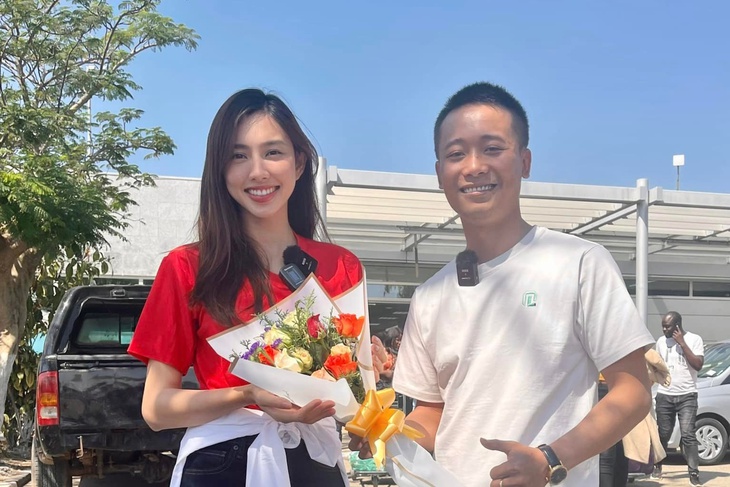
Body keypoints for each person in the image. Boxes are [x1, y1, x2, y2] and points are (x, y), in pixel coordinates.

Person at [355, 82, 655, 487]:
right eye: (456, 154)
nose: (474, 166)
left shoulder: (579, 262)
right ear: (440, 173)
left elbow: (633, 392)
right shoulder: (430, 296)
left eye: (492, 148)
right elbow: (432, 413)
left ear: (525, 161)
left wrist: (550, 459)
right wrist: (383, 432)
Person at [127, 89, 363, 487]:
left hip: (316, 462)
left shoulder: (340, 266)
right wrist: (247, 395)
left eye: (273, 153)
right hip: (222, 462)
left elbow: (351, 395)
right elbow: (157, 408)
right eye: (238, 156)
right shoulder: (188, 267)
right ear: (220, 170)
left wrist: (365, 391)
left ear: (299, 163)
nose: (258, 172)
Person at [652, 311, 704, 486]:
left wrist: (682, 343)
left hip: (687, 395)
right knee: (663, 432)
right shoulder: (661, 342)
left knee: (688, 434)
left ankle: (693, 473)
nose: (664, 330)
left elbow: (698, 365)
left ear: (677, 326)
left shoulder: (694, 339)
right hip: (665, 394)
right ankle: (657, 465)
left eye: (667, 326)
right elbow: (658, 366)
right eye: (663, 326)